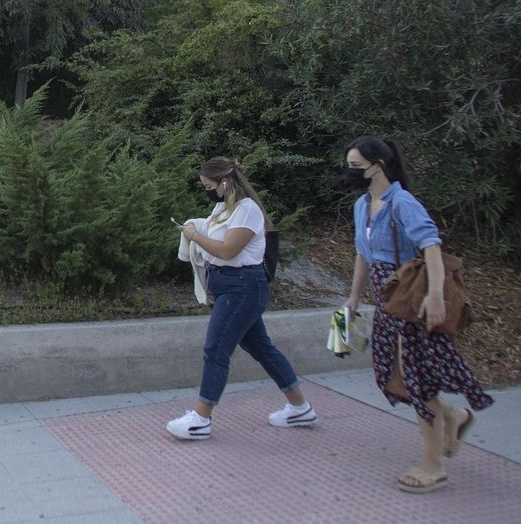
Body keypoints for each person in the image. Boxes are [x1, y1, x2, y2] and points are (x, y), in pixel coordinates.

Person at [342, 136, 492, 494]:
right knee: (392, 378)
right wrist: (352, 298)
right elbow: (363, 254)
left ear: (377, 165)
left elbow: (431, 247)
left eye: (355, 166)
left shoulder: (402, 203)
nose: (349, 173)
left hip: (410, 303)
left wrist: (436, 296)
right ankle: (452, 416)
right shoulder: (362, 205)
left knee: (417, 381)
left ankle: (433, 464)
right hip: (386, 305)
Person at [166, 157, 317, 442]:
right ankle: (300, 407)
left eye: (209, 185)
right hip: (230, 286)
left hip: (243, 287)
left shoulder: (248, 210)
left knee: (215, 349)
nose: (207, 190)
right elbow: (216, 245)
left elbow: (226, 251)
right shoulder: (223, 207)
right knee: (262, 348)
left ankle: (201, 418)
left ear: (225, 182)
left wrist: (194, 235)